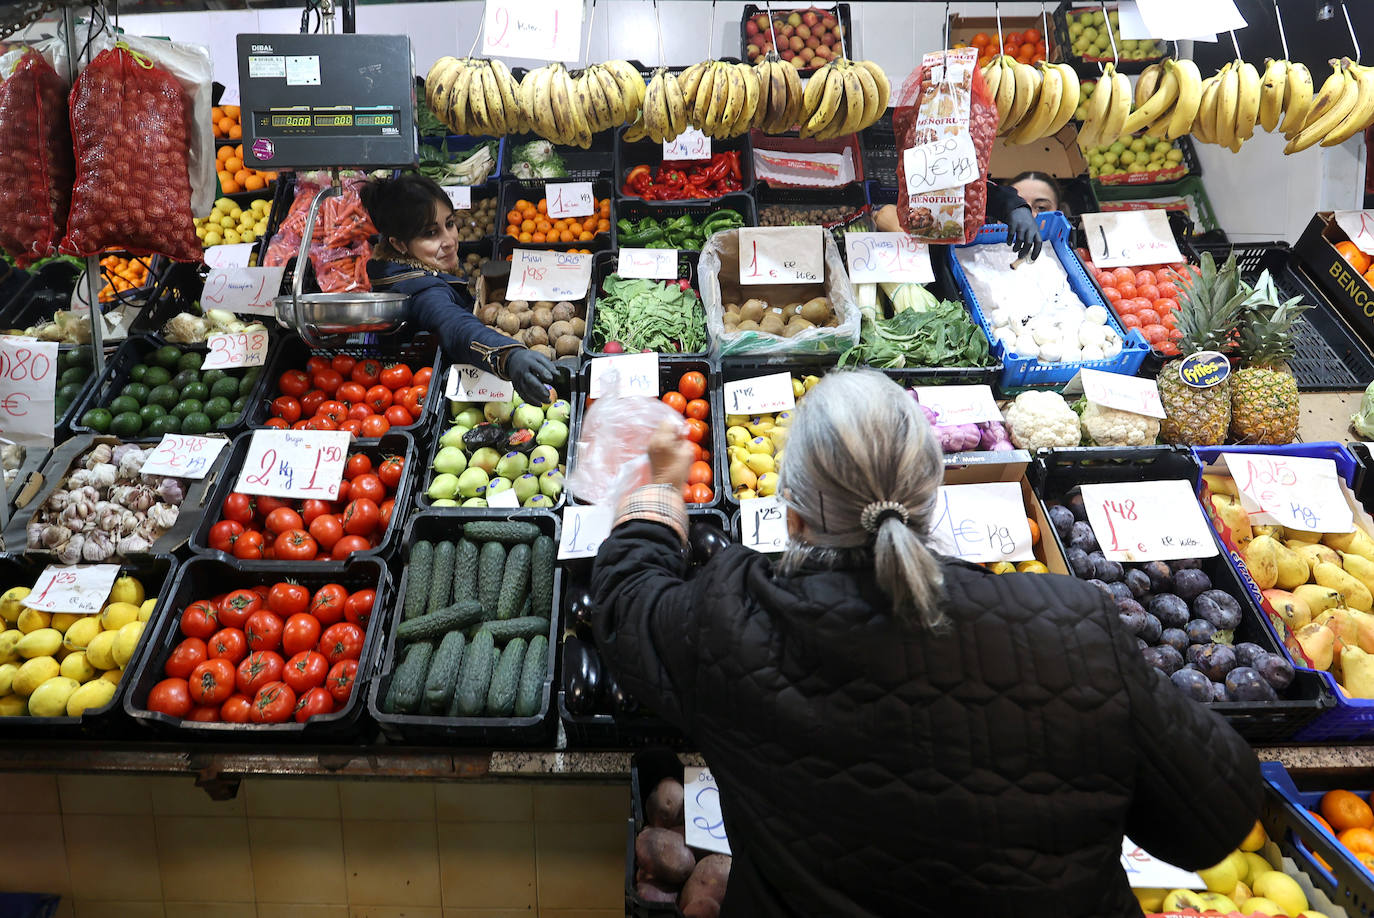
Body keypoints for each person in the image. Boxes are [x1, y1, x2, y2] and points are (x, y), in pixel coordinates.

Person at [591, 369, 1261, 918]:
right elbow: (1211, 824)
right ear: (931, 496)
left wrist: (661, 483)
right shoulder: (1077, 626)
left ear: (791, 515)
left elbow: (626, 604)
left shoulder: (730, 624)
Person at [360, 173, 556, 404]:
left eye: (450, 224)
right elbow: (454, 325)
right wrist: (507, 356)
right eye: (431, 233)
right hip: (429, 390)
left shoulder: (419, 264)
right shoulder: (421, 290)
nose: (450, 239)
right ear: (399, 244)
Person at [874, 180, 1043, 261]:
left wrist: (1015, 207)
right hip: (920, 261)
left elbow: (987, 193)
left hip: (959, 258)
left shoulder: (968, 182)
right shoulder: (911, 187)